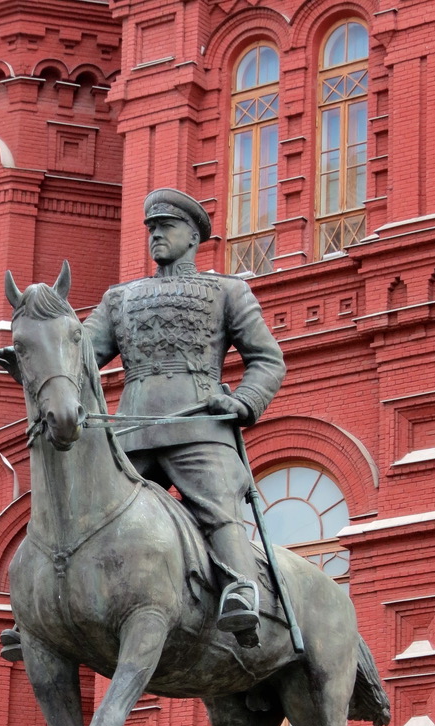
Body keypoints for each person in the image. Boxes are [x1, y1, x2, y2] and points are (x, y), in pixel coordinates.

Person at [83, 188, 285, 646]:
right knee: (82, 506)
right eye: (151, 228)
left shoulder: (226, 291)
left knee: (218, 506)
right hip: (132, 433)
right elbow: (80, 356)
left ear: (193, 236)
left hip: (199, 427)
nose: (155, 234)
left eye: (165, 227)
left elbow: (268, 359)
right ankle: (47, 607)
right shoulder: (120, 299)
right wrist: (35, 355)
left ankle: (240, 592)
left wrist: (244, 401)